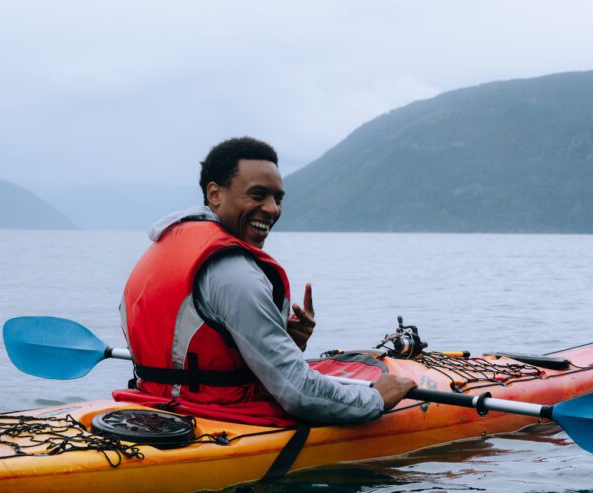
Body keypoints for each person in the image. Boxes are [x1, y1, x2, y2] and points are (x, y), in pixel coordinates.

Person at [114, 137, 415, 426]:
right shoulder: (235, 273)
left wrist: (285, 338)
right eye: (258, 195)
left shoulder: (161, 247)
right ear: (215, 193)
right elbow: (298, 393)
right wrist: (375, 398)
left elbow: (195, 357)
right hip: (218, 417)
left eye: (277, 198)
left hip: (151, 406)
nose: (272, 209)